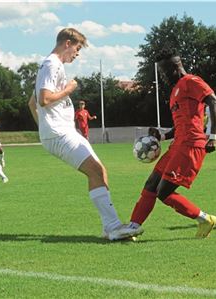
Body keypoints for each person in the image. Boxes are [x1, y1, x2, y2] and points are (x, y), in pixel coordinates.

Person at [27, 27, 142, 241]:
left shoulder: (51, 65)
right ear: (67, 43)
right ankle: (113, 227)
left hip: (59, 132)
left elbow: (32, 103)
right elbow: (43, 99)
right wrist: (69, 90)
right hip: (59, 133)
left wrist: (45, 127)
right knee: (96, 171)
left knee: (100, 171)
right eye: (77, 48)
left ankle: (111, 226)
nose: (77, 54)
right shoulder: (52, 64)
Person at [120, 47, 216, 239]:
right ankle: (133, 226)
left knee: (163, 192)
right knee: (151, 184)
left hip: (191, 146)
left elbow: (215, 103)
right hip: (177, 145)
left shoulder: (191, 81)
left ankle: (205, 219)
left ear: (175, 67)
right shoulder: (176, 90)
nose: (163, 77)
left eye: (164, 72)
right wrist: (162, 136)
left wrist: (213, 136)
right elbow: (181, 124)